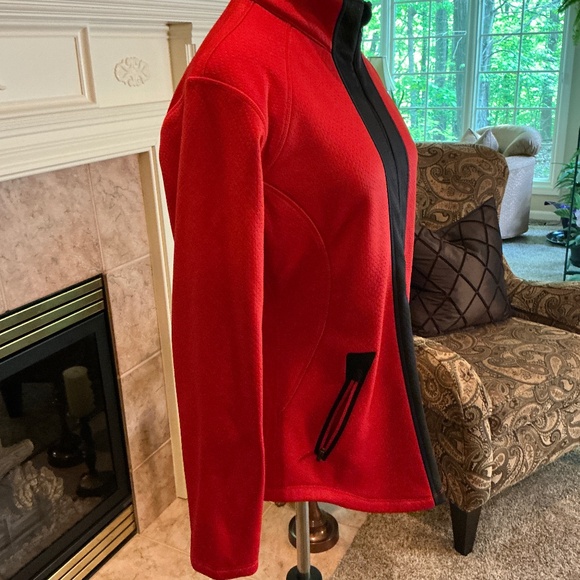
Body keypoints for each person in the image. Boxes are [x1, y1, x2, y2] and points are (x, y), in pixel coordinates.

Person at [159, 1, 443, 578]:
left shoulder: (344, 50)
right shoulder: (233, 74)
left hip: (362, 375)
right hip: (309, 406)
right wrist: (224, 533)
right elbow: (213, 320)